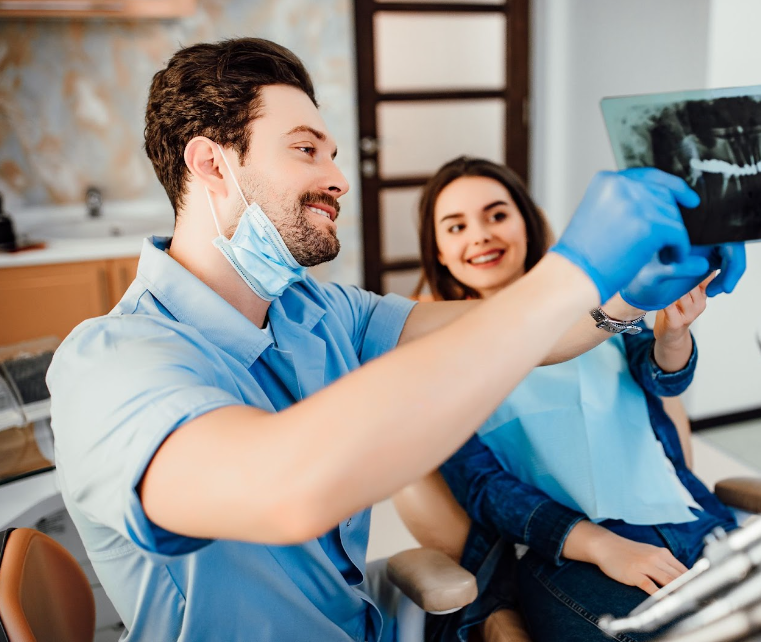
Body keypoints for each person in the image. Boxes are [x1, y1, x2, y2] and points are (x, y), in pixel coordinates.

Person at [45, 38, 717, 642]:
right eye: (306, 149)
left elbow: (524, 335)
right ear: (212, 164)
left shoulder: (323, 313)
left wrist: (630, 294)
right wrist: (574, 269)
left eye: (332, 154)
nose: (337, 178)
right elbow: (288, 489)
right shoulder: (109, 365)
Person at [413, 156, 746, 642]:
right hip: (571, 555)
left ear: (526, 224)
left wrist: (673, 334)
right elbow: (485, 489)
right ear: (439, 251)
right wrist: (603, 546)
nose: (480, 235)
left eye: (496, 215)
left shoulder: (599, 302)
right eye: (456, 226)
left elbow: (661, 380)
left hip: (689, 521)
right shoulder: (432, 353)